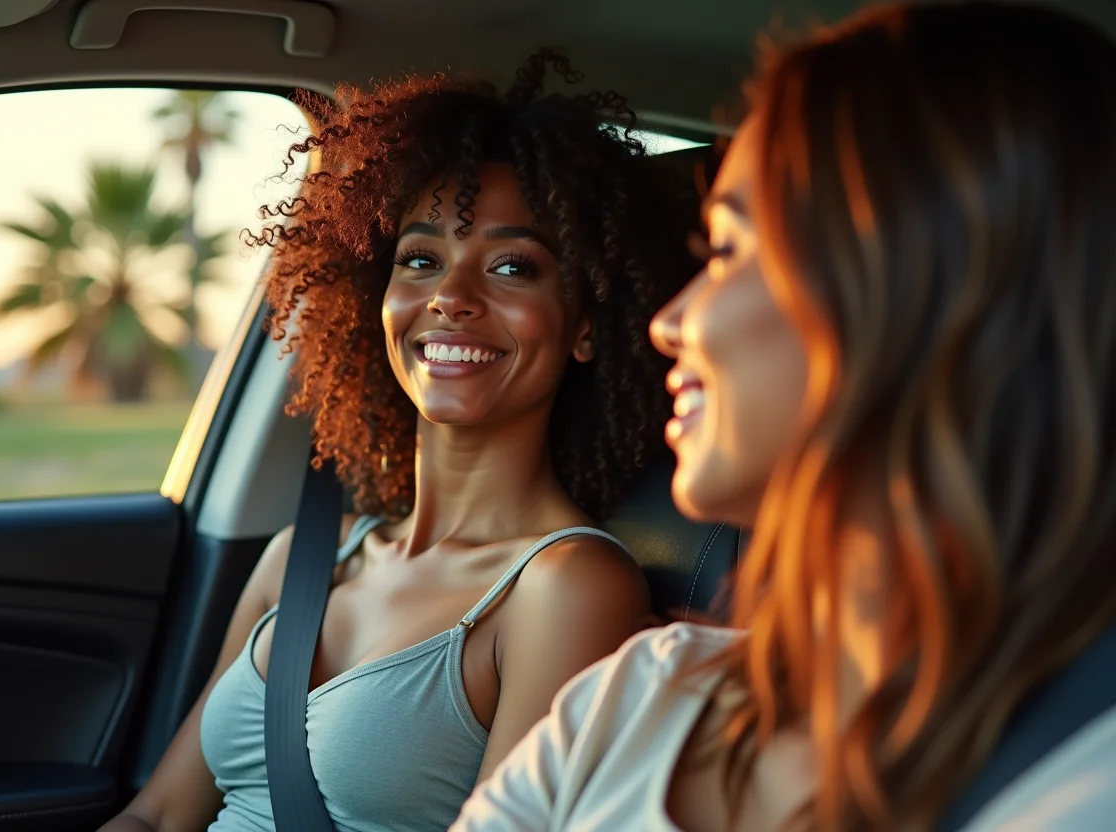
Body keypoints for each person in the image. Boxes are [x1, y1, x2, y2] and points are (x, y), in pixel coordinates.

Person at [451, 3, 1116, 830]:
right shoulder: (643, 693)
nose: (670, 322)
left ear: (914, 292)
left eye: (728, 253)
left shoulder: (1081, 790)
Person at [99, 51, 698, 832]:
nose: (451, 296)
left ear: (586, 325)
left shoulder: (565, 587)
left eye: (513, 267)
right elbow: (159, 817)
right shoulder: (302, 556)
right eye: (420, 259)